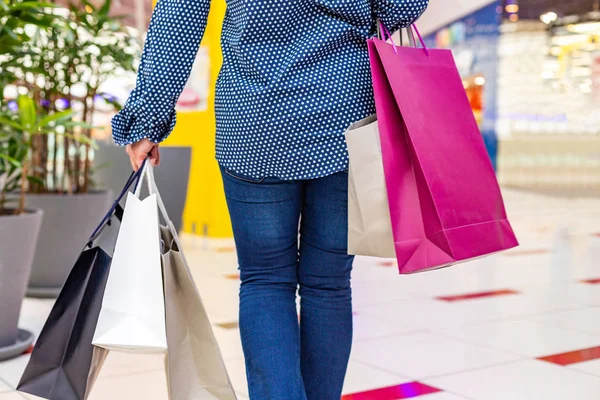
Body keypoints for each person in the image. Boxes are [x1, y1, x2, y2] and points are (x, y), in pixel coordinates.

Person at [113, 0, 429, 398]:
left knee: (264, 280)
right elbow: (402, 7)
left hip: (254, 121)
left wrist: (148, 119)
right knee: (328, 284)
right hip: (346, 117)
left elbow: (180, 15)